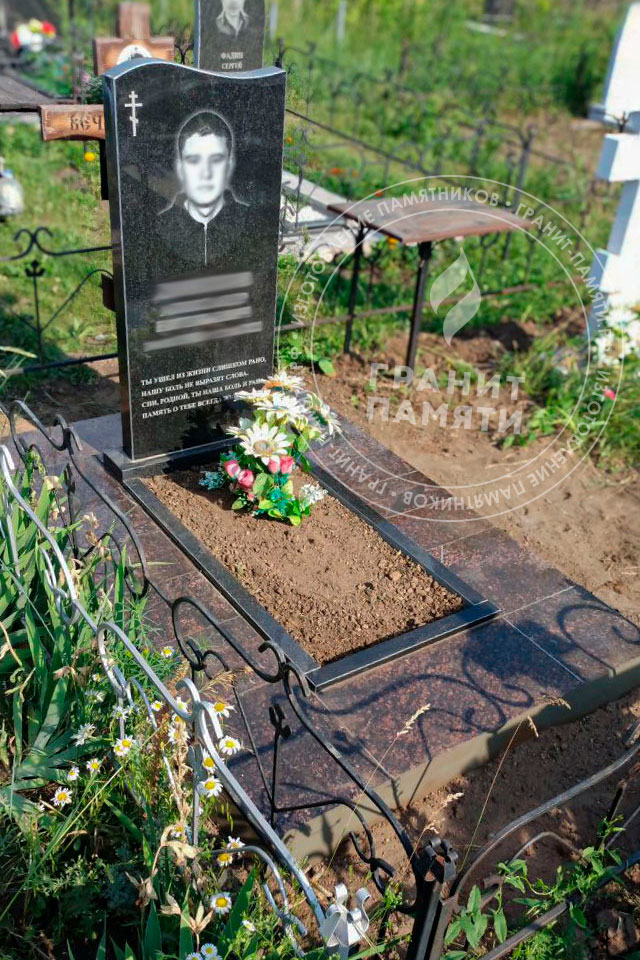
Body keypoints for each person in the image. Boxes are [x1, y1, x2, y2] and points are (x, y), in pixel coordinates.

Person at [158, 110, 248, 270]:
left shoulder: (251, 221)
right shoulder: (159, 228)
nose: (206, 173)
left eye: (216, 160)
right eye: (193, 160)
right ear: (180, 168)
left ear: (229, 166)